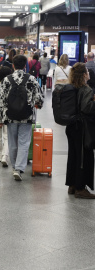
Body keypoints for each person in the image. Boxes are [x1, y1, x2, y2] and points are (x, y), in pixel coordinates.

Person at [0, 55, 44, 181]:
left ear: (13, 65)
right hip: (27, 116)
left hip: (10, 116)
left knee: (12, 142)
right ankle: (19, 168)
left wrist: (0, 118)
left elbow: (0, 100)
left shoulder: (6, 80)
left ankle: (14, 167)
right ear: (24, 66)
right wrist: (37, 105)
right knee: (24, 142)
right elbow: (39, 98)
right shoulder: (32, 79)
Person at [65, 62, 95, 199]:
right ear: (84, 75)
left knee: (73, 155)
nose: (89, 74)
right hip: (82, 128)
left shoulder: (70, 88)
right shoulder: (86, 89)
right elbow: (86, 108)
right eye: (87, 72)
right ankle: (80, 188)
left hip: (71, 126)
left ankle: (72, 184)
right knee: (83, 157)